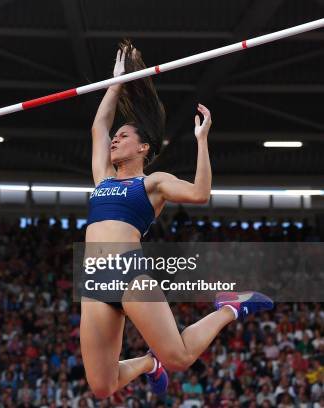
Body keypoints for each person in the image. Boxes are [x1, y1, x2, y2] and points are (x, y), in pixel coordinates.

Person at [80, 39, 273, 399]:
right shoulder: (103, 178)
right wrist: (117, 81)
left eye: (123, 137)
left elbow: (200, 194)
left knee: (180, 357)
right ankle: (147, 365)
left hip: (127, 270)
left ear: (143, 148)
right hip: (93, 278)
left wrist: (202, 141)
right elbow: (98, 127)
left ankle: (230, 307)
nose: (113, 141)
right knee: (102, 386)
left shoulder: (153, 183)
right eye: (115, 137)